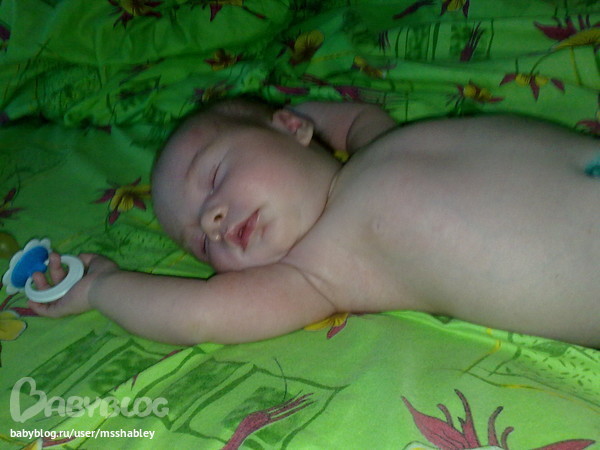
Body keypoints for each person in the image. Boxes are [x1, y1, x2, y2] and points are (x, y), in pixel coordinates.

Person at [27, 98, 600, 347]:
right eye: (201, 243)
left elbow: (357, 116)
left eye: (216, 174)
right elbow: (199, 313)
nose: (213, 219)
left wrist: (291, 112)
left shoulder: (378, 144)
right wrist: (102, 288)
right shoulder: (322, 271)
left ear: (292, 127)